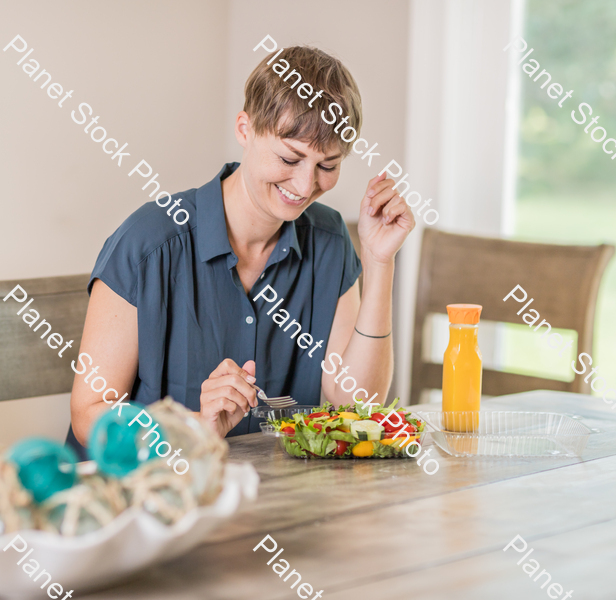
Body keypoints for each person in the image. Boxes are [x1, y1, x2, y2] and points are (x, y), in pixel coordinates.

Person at [68, 45, 415, 451]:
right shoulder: (149, 244)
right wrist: (192, 430)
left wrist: (379, 260)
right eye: (290, 158)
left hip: (266, 501)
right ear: (245, 129)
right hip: (143, 497)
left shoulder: (329, 241)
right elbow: (89, 414)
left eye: (327, 166)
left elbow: (358, 403)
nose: (305, 187)